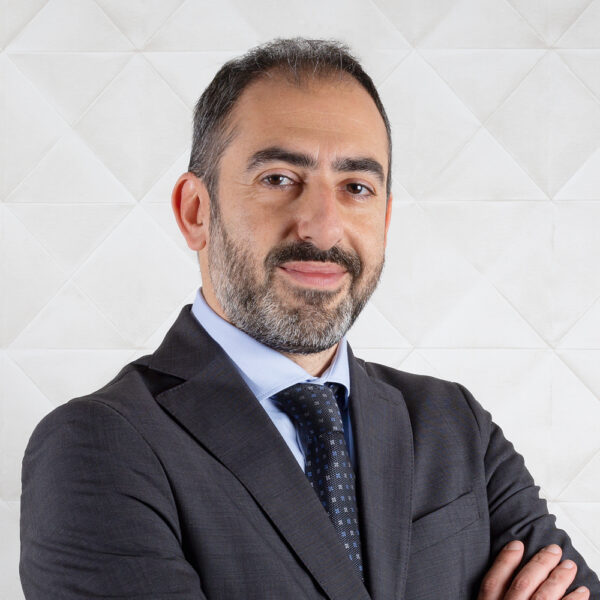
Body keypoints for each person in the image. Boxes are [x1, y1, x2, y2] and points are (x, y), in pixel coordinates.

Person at [20, 38, 599, 600]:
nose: (323, 228)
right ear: (196, 211)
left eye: (356, 187)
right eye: (278, 179)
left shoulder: (453, 424)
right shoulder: (97, 445)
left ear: (385, 219)